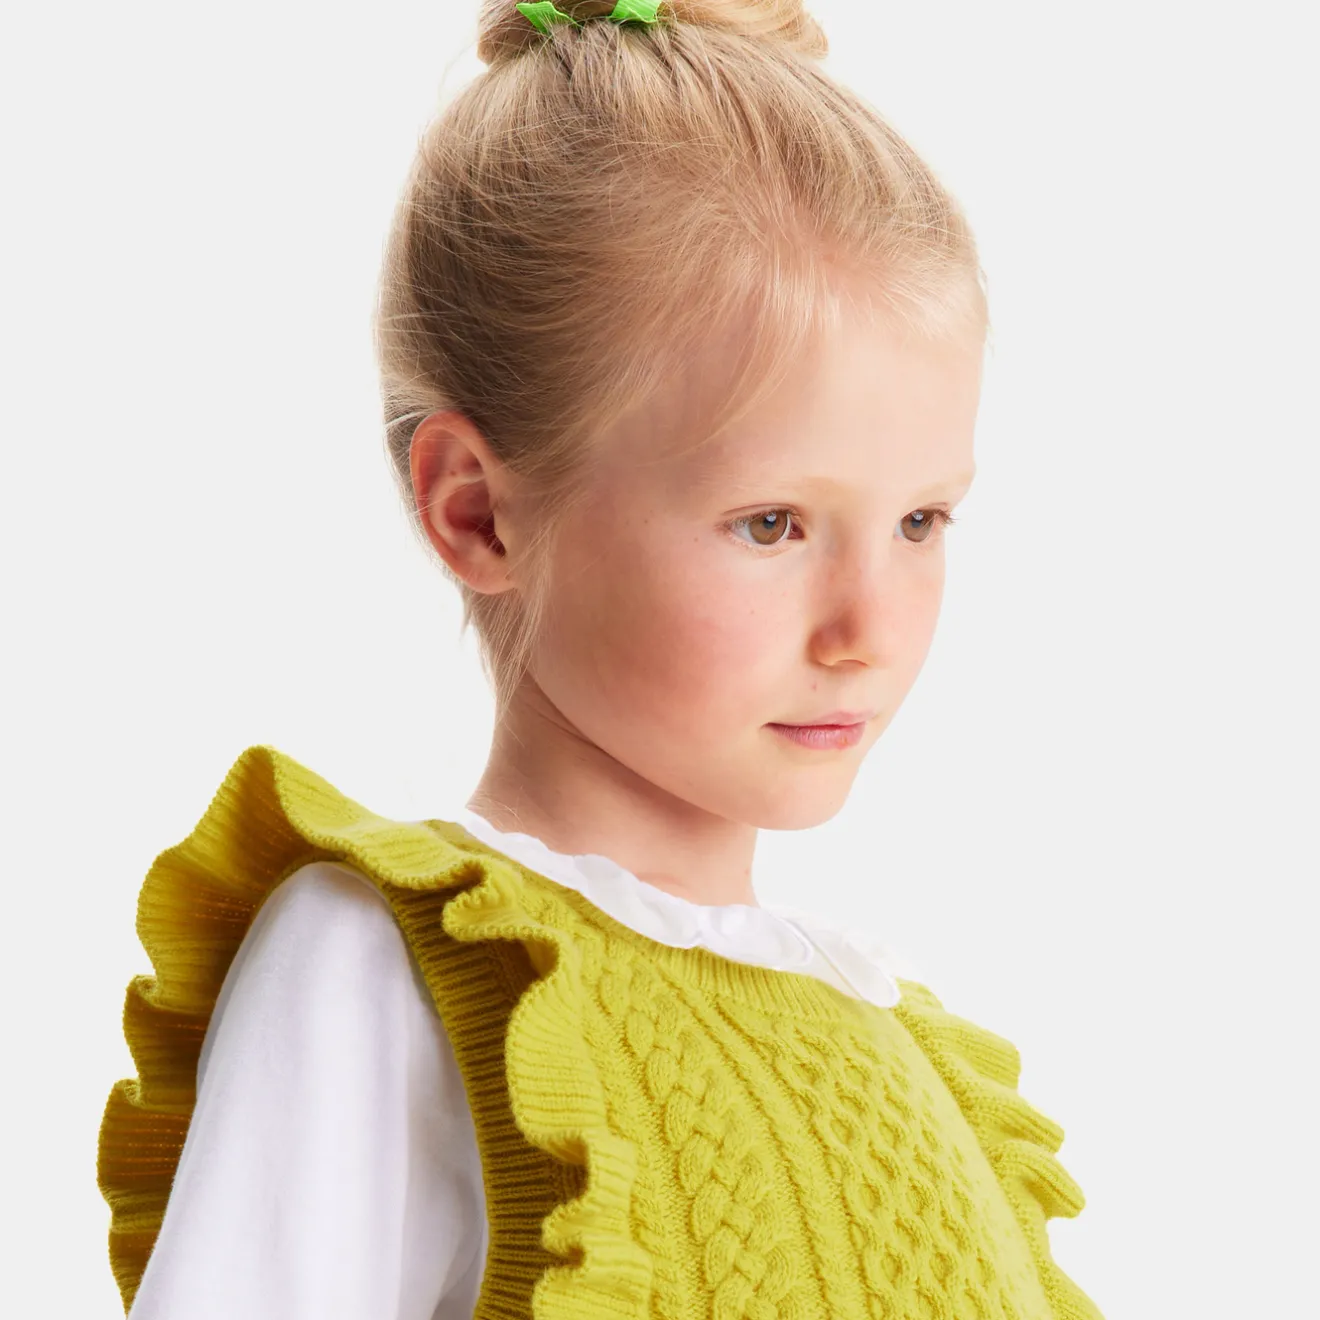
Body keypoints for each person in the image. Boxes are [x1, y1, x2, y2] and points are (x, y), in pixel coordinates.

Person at [97, 2, 1105, 1317]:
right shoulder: (402, 968)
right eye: (772, 524)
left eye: (921, 521)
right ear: (479, 513)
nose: (869, 628)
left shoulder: (917, 1064)